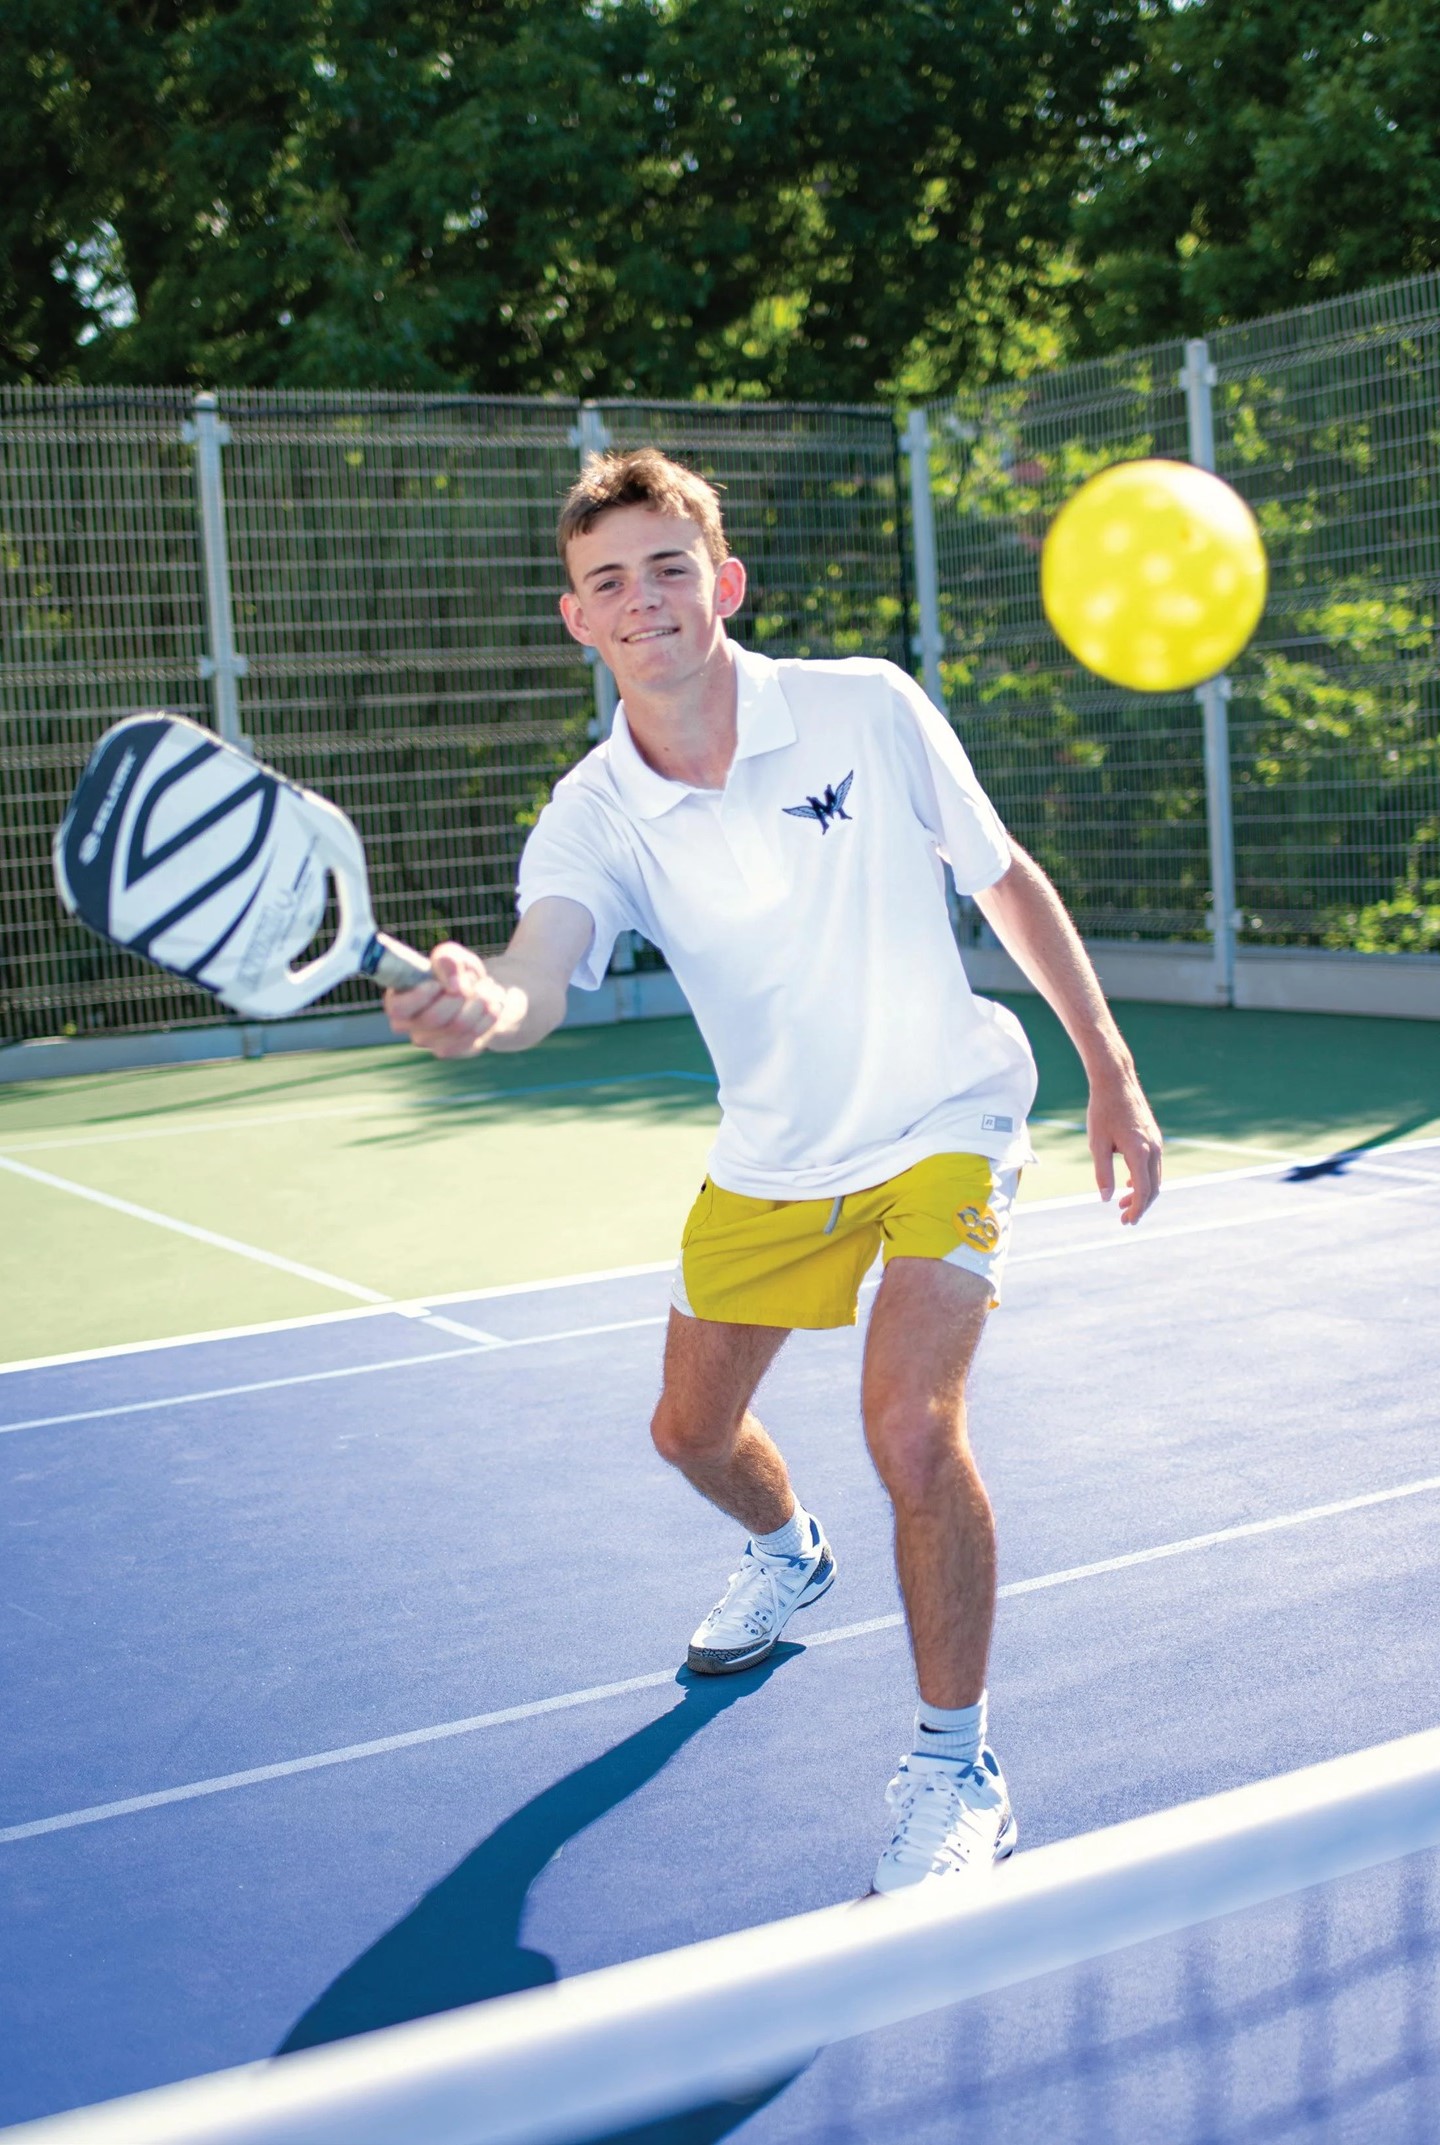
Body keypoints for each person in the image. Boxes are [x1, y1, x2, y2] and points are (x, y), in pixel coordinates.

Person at [386, 448, 1162, 1893]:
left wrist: (1110, 1071)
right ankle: (789, 1552)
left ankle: (955, 1769)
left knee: (910, 1429)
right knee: (688, 1432)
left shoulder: (865, 706)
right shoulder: (593, 812)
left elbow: (1001, 875)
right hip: (777, 1153)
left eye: (669, 567)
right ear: (579, 622)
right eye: (610, 582)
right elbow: (541, 962)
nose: (645, 600)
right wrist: (488, 1003)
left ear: (724, 582)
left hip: (945, 1110)